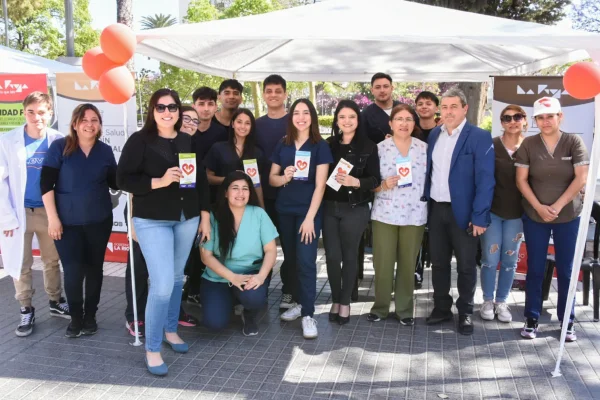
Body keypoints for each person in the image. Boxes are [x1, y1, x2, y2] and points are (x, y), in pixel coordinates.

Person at [117, 88, 211, 376]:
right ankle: (152, 347)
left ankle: (171, 331)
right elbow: (122, 179)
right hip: (152, 220)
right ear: (152, 110)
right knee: (162, 285)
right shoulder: (140, 140)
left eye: (172, 107)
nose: (167, 112)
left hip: (186, 218)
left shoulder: (186, 140)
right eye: (161, 107)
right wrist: (158, 181)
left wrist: (204, 216)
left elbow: (200, 181)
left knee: (174, 278)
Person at [515, 97, 589, 341]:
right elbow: (521, 180)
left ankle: (567, 320)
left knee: (566, 270)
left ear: (560, 117)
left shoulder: (573, 142)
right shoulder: (528, 144)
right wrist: (539, 207)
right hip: (535, 216)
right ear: (535, 120)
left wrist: (556, 206)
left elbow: (581, 178)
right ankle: (531, 318)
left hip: (567, 215)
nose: (545, 121)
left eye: (550, 116)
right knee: (535, 268)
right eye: (540, 117)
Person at [41, 103, 117, 338]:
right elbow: (46, 185)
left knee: (95, 270)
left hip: (99, 221)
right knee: (73, 272)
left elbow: (116, 182)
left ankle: (90, 317)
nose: (89, 124)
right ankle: (75, 318)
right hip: (67, 224)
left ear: (100, 125)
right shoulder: (59, 147)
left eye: (94, 120)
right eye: (84, 119)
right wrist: (53, 219)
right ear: (75, 123)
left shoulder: (105, 151)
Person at [424, 88, 495, 335]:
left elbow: (486, 181)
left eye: (454, 106)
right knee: (439, 263)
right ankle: (442, 308)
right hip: (437, 209)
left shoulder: (479, 136)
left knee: (466, 265)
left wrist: (479, 216)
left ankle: (465, 311)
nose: (448, 111)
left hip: (464, 213)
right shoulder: (434, 135)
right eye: (444, 107)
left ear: (465, 108)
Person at [0, 91, 70, 337]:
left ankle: (55, 301)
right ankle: (25, 308)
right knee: (21, 263)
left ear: (50, 113)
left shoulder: (59, 140)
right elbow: (1, 182)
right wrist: (6, 218)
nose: (36, 117)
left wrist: (59, 215)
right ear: (24, 112)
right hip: (18, 214)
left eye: (41, 112)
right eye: (31, 111)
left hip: (48, 213)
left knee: (51, 260)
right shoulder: (8, 141)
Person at [269, 98, 333, 339]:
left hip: (308, 214)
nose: (301, 117)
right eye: (297, 112)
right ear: (291, 117)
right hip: (285, 211)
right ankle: (298, 302)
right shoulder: (282, 144)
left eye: (306, 113)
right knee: (293, 261)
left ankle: (308, 314)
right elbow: (271, 179)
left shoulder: (320, 146)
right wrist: (284, 176)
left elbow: (320, 186)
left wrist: (310, 219)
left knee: (306, 261)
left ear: (312, 117)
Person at [367, 104, 427, 326]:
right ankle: (380, 307)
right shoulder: (379, 148)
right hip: (385, 212)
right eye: (399, 119)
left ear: (414, 124)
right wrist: (382, 185)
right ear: (390, 123)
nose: (404, 123)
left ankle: (404, 310)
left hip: (415, 214)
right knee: (382, 263)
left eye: (409, 119)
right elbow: (369, 183)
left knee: (407, 263)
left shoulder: (424, 149)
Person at [200, 171, 279, 336]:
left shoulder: (259, 214)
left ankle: (248, 313)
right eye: (235, 188)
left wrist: (261, 276)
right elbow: (205, 256)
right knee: (214, 323)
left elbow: (271, 250)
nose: (240, 193)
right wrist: (232, 278)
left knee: (254, 298)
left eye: (245, 188)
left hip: (249, 274)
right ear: (226, 192)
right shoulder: (213, 216)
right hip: (218, 276)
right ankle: (228, 301)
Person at [323, 100, 380, 325]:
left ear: (358, 120)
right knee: (332, 256)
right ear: (337, 120)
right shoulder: (328, 145)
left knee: (349, 256)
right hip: (329, 207)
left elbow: (375, 180)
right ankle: (336, 298)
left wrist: (355, 181)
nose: (347, 121)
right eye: (342, 117)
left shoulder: (369, 146)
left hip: (355, 209)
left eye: (352, 117)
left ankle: (344, 302)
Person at [479, 105, 527, 323]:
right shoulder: (491, 145)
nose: (512, 121)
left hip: (517, 214)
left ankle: (502, 301)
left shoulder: (531, 146)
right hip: (493, 212)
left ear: (525, 120)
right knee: (489, 259)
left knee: (509, 260)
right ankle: (487, 300)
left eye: (517, 117)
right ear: (501, 122)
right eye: (507, 118)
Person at [256, 74, 295, 309]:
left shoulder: (295, 121)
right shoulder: (256, 124)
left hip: (289, 194)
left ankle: (289, 290)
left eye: (278, 91)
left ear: (285, 94)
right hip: (261, 196)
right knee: (261, 245)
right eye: (269, 91)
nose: (273, 95)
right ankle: (260, 289)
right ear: (263, 94)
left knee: (289, 247)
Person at [205, 108, 267, 208]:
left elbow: (257, 184)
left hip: (249, 204)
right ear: (233, 124)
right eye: (239, 122)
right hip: (222, 203)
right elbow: (208, 177)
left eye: (247, 123)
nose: (243, 126)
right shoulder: (218, 148)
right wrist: (229, 179)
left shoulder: (257, 153)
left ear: (251, 127)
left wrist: (262, 208)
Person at [362, 72, 401, 144]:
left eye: (386, 86)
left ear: (392, 88)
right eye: (378, 87)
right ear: (372, 90)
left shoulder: (403, 109)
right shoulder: (365, 115)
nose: (382, 90)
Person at [191, 87, 228, 162]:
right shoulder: (185, 131)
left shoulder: (221, 133)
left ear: (215, 107)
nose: (206, 109)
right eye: (201, 104)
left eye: (210, 104)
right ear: (193, 107)